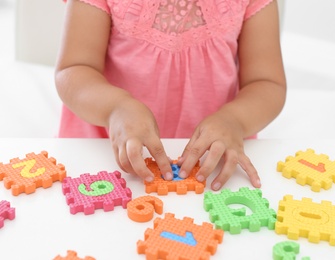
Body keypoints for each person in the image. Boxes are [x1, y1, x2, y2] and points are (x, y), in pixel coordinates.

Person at [55, 0, 287, 191]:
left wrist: (235, 120)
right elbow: (74, 69)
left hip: (213, 161)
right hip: (106, 157)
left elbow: (267, 83)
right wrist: (116, 108)